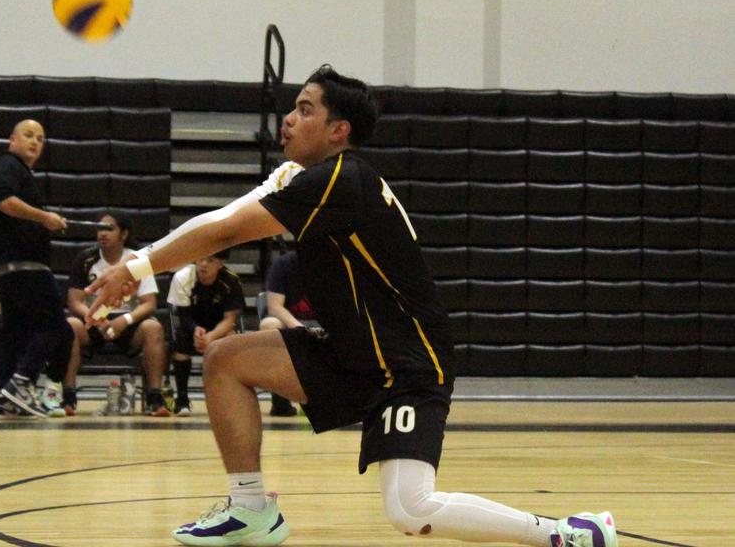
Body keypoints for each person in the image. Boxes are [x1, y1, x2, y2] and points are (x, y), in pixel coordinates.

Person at [86, 65, 616, 547]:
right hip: (351, 352)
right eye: (293, 107)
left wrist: (133, 269)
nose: (289, 119)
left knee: (410, 509)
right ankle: (250, 510)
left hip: (410, 361)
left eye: (306, 110)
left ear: (339, 131)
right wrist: (142, 264)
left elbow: (226, 232)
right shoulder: (296, 177)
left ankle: (567, 533)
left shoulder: (342, 179)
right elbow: (219, 218)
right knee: (226, 360)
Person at [0, 119, 73, 418]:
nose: (35, 142)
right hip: (21, 265)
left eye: (41, 139)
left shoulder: (20, 172)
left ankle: (5, 399)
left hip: (4, 267)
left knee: (15, 332)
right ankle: (22, 383)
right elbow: (3, 200)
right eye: (29, 135)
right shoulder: (8, 165)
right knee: (55, 325)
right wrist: (45, 217)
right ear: (12, 139)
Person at [64, 212, 170, 417]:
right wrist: (95, 318)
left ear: (124, 234)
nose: (102, 233)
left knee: (154, 327)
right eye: (99, 228)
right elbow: (74, 301)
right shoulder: (85, 259)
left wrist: (125, 319)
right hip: (93, 321)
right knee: (70, 325)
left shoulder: (137, 259)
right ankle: (68, 397)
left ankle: (155, 398)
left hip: (128, 322)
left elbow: (149, 304)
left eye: (109, 228)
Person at [0, 259, 65, 419]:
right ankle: (20, 383)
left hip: (8, 263)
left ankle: (5, 399)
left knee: (14, 327)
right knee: (53, 322)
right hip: (21, 261)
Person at [166, 250, 244, 417]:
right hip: (190, 326)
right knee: (180, 343)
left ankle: (226, 399)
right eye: (201, 258)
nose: (203, 264)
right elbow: (182, 315)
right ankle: (182, 399)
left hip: (219, 327)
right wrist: (196, 331)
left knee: (231, 339)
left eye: (210, 260)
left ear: (221, 263)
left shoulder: (231, 280)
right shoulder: (183, 277)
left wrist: (211, 337)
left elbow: (230, 319)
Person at [258, 250, 320, 417]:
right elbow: (275, 306)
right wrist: (299, 328)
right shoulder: (284, 264)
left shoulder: (332, 264)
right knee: (270, 325)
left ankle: (333, 400)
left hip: (322, 322)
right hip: (288, 319)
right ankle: (280, 400)